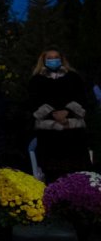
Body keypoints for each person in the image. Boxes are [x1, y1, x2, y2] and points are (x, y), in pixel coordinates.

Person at [28, 47, 92, 182]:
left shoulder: (74, 77)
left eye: (55, 57)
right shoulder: (36, 80)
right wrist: (52, 114)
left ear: (61, 59)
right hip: (49, 136)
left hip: (74, 133)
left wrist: (67, 112)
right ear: (44, 61)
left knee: (78, 174)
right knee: (54, 175)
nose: (53, 60)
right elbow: (32, 103)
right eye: (49, 58)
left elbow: (84, 99)